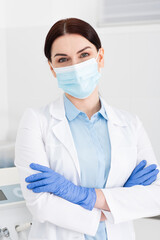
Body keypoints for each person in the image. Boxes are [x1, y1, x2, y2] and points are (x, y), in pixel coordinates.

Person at [14, 18, 160, 240]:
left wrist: (83, 196)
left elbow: (155, 196)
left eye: (84, 55)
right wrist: (117, 203)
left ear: (100, 57)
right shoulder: (35, 121)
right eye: (63, 59)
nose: (75, 66)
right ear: (52, 68)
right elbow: (40, 203)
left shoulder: (131, 124)